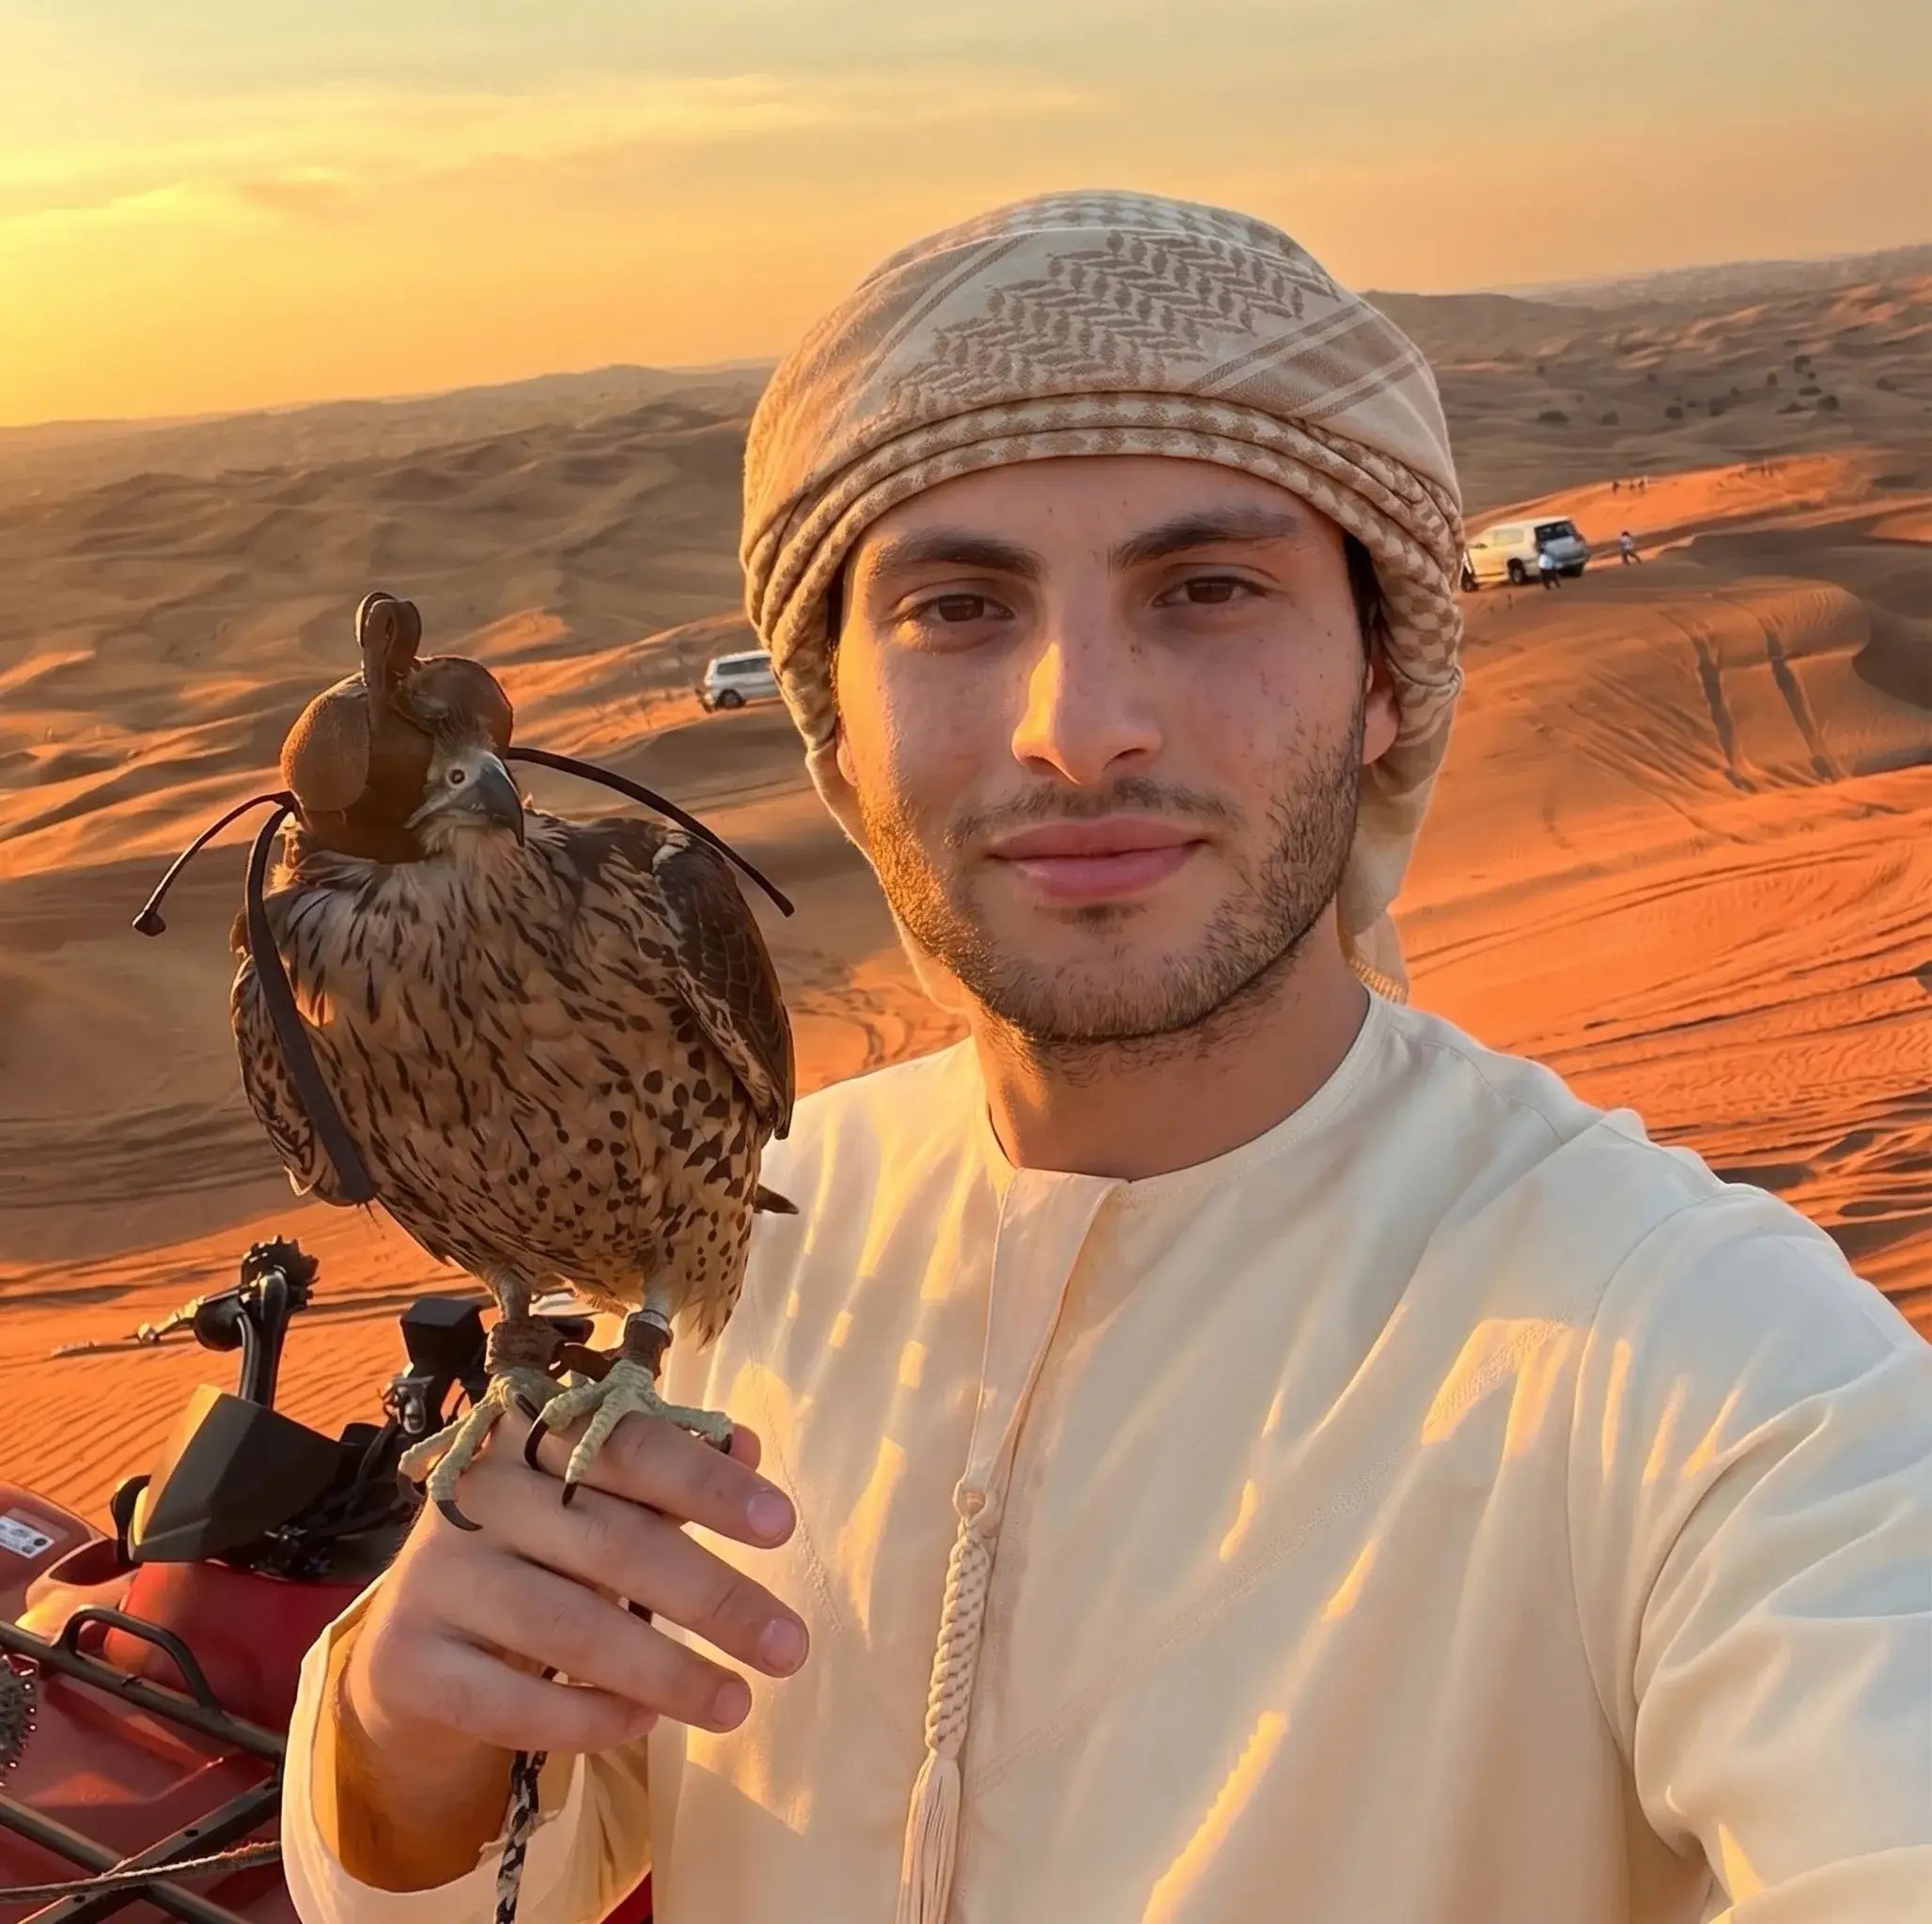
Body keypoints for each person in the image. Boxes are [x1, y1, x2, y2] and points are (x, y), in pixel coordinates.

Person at [281, 192, 1932, 1924]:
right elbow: (493, 1866)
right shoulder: (745, 1232)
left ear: (1384, 677)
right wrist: (399, 1747)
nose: (1079, 727)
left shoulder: (1710, 1362)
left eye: (1209, 590)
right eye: (957, 609)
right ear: (835, 713)